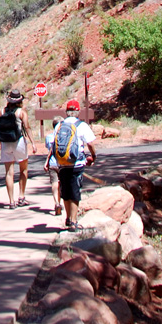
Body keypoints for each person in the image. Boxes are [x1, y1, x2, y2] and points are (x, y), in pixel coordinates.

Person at [50, 98, 97, 230]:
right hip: (77, 163)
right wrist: (93, 156)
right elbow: (90, 143)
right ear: (77, 111)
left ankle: (68, 218)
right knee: (75, 191)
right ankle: (74, 221)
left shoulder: (59, 125)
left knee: (65, 191)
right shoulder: (81, 125)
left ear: (66, 112)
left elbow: (54, 145)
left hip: (62, 163)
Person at [0, 89, 35, 208]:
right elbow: (27, 127)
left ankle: (11, 201)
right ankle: (21, 196)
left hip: (5, 143)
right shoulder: (21, 112)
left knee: (9, 172)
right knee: (23, 169)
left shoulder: (2, 111)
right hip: (18, 142)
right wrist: (33, 142)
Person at [43, 116, 63, 217]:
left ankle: (57, 203)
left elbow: (49, 148)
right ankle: (61, 202)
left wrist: (46, 162)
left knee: (54, 183)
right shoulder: (64, 136)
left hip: (52, 162)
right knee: (61, 183)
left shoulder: (49, 137)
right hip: (63, 163)